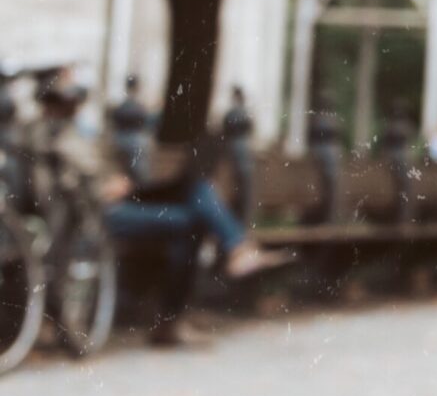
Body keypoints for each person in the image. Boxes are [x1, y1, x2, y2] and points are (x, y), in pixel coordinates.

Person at [39, 71, 288, 348]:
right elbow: (63, 186)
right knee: (191, 220)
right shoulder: (49, 134)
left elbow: (107, 169)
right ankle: (227, 257)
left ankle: (233, 250)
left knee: (196, 190)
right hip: (100, 212)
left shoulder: (82, 131)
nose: (75, 101)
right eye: (68, 94)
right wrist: (107, 187)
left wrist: (121, 181)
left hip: (121, 201)